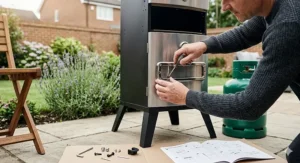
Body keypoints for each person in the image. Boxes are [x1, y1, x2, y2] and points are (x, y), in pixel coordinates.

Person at [154, 0, 300, 162]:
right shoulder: (274, 8)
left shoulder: (288, 26)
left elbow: (250, 106)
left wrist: (186, 97)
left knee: (295, 156)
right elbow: (244, 34)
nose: (224, 7)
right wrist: (204, 45)